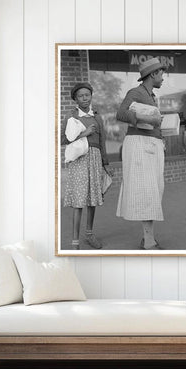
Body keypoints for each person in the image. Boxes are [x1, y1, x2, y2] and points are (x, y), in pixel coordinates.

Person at [116, 57, 167, 250]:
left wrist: (161, 134)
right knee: (147, 192)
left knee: (154, 192)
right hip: (139, 145)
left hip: (152, 146)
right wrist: (146, 118)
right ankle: (149, 241)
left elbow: (153, 123)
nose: (163, 78)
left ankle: (148, 238)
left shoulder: (152, 96)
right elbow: (120, 114)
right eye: (161, 73)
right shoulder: (135, 92)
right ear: (153, 74)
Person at [62, 82, 111, 250]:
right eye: (81, 96)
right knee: (79, 199)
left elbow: (102, 141)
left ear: (91, 96)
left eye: (87, 95)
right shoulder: (71, 117)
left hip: (96, 158)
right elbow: (63, 139)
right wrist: (84, 133)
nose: (84, 98)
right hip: (80, 160)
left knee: (92, 199)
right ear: (75, 99)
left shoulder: (96, 116)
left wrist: (105, 163)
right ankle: (75, 241)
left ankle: (89, 234)